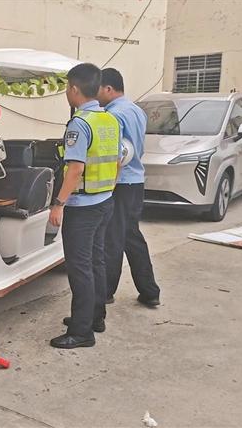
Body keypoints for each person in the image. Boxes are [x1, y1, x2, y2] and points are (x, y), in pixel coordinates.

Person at [49, 63, 121, 349]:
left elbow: (75, 169)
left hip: (83, 207)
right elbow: (118, 161)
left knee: (79, 268)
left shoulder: (80, 124)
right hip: (104, 200)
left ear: (74, 89)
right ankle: (95, 318)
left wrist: (58, 204)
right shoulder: (109, 120)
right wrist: (109, 189)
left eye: (67, 88)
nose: (67, 93)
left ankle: (81, 332)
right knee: (96, 261)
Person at [97, 68, 161, 307]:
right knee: (130, 235)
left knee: (112, 238)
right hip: (136, 181)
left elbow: (117, 155)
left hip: (120, 182)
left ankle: (106, 291)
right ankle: (149, 291)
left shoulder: (112, 116)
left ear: (108, 88)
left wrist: (109, 185)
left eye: (97, 90)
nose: (95, 95)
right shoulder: (136, 110)